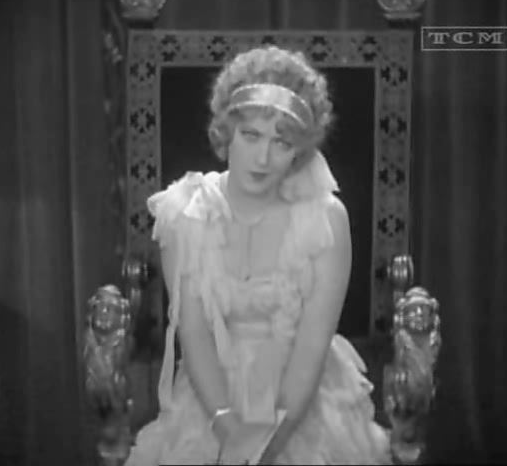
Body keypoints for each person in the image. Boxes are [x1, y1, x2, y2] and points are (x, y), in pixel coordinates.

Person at [124, 45, 391, 465]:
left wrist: (269, 445)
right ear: (227, 131)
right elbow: (195, 335)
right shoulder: (187, 212)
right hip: (211, 398)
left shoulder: (325, 218)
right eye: (251, 136)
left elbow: (312, 346)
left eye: (281, 142)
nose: (262, 158)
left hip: (303, 400)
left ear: (300, 149)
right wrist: (228, 429)